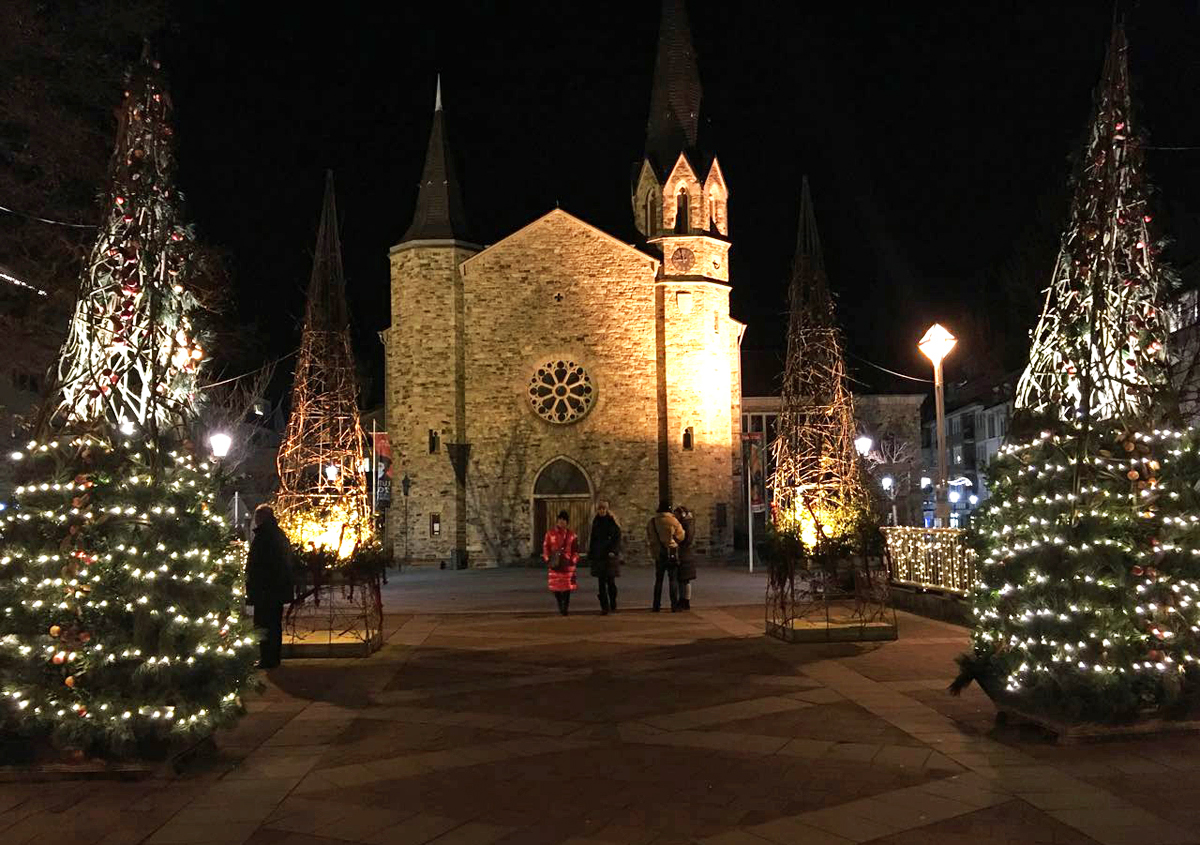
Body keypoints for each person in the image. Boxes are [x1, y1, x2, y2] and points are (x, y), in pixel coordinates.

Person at [245, 504, 294, 669]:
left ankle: (267, 658)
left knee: (264, 624)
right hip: (274, 590)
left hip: (266, 590)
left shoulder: (265, 537)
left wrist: (255, 584)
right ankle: (273, 657)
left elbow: (261, 565)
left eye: (257, 517)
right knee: (273, 624)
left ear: (263, 518)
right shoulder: (276, 534)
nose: (255, 520)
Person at [646, 501, 685, 612]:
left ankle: (656, 605)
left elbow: (649, 536)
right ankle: (674, 605)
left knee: (658, 580)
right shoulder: (673, 521)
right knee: (673, 579)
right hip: (671, 552)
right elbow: (681, 536)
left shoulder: (652, 522)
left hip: (659, 554)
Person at [588, 500, 622, 614]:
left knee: (611, 582)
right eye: (600, 509)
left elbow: (617, 538)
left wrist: (613, 550)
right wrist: (591, 553)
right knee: (601, 583)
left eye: (603, 509)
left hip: (609, 556)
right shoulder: (596, 522)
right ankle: (604, 606)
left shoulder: (612, 522)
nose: (602, 511)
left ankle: (613, 602)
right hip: (599, 556)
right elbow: (593, 539)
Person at [543, 509, 579, 616]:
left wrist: (573, 560)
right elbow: (546, 547)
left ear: (567, 522)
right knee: (556, 588)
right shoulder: (550, 534)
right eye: (560, 520)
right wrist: (547, 559)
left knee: (567, 588)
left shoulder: (572, 535)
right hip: (555, 563)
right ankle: (560, 603)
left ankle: (565, 607)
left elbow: (575, 549)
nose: (561, 522)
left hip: (567, 564)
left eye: (564, 520)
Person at [674, 505, 696, 610]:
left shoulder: (685, 525)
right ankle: (684, 599)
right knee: (683, 579)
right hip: (686, 554)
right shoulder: (688, 523)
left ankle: (685, 600)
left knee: (684, 579)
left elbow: (686, 540)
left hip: (684, 555)